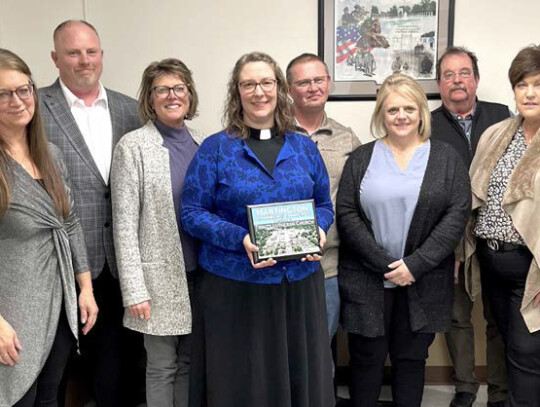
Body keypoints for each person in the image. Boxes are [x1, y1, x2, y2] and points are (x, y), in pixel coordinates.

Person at [181, 51, 334, 407]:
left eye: (266, 82)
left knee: (301, 378)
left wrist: (320, 229)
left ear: (279, 88)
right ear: (237, 92)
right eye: (248, 84)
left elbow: (324, 204)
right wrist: (240, 239)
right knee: (243, 381)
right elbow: (191, 212)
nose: (259, 92)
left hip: (297, 284)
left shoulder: (302, 146)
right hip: (236, 286)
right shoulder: (215, 149)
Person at [336, 73, 471, 407]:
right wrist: (385, 264)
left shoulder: (446, 158)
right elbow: (347, 213)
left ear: (422, 112)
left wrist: (415, 265)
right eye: (393, 109)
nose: (401, 116)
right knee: (366, 360)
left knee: (411, 361)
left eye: (409, 108)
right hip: (368, 278)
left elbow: (457, 213)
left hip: (422, 281)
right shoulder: (361, 158)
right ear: (382, 113)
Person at [39, 20, 144, 407]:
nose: (84, 60)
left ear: (101, 54)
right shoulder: (33, 107)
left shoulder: (129, 109)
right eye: (73, 52)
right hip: (62, 262)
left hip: (120, 261)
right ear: (55, 58)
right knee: (57, 370)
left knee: (119, 367)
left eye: (91, 51)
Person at [0, 48, 97, 406]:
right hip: (12, 311)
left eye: (24, 89)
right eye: (3, 93)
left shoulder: (50, 154)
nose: (18, 100)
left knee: (49, 397)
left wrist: (84, 288)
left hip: (59, 304)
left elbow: (68, 221)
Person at [111, 58, 204, 407]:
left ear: (190, 95)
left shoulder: (203, 144)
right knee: (162, 364)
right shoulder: (132, 147)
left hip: (203, 275)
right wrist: (134, 288)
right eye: (162, 89)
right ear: (150, 99)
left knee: (190, 363)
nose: (171, 95)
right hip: (157, 280)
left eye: (179, 88)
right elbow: (123, 223)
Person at [431, 46, 510, 407]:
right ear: (439, 84)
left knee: (498, 317)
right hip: (449, 236)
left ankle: (499, 392)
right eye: (448, 75)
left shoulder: (503, 117)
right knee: (457, 316)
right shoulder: (426, 124)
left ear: (476, 79)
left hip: (496, 235)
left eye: (464, 73)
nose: (457, 81)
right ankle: (465, 387)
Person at [464, 44, 540, 407]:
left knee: (526, 351)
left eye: (539, 84)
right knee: (500, 340)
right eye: (522, 84)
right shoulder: (497, 133)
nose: (530, 93)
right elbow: (475, 194)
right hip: (492, 260)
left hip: (532, 268)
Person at [286, 53, 361, 342]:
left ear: (329, 83)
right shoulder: (274, 134)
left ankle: (321, 390)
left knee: (321, 343)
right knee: (284, 344)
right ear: (289, 88)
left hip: (328, 263)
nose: (313, 87)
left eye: (318, 80)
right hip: (281, 263)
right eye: (304, 82)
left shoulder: (347, 138)